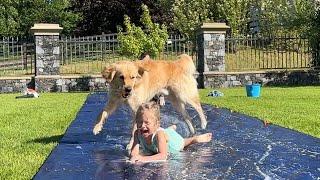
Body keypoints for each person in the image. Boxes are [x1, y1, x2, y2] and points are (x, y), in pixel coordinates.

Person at [130, 102, 212, 163]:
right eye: (139, 122)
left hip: (172, 143)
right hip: (163, 134)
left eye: (147, 123)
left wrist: (142, 158)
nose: (142, 125)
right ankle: (170, 129)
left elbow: (163, 156)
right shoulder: (137, 133)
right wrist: (134, 157)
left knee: (183, 143)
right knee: (166, 132)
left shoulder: (159, 135)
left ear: (157, 124)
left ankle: (194, 139)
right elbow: (134, 152)